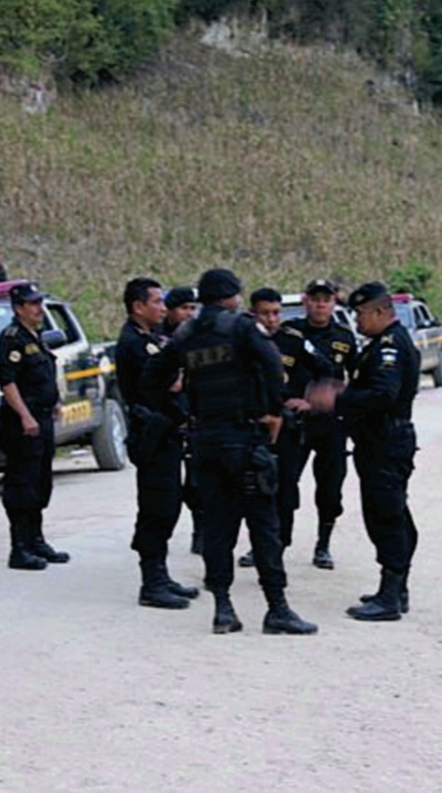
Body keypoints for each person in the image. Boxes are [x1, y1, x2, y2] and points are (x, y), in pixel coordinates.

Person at [141, 268, 317, 636]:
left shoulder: (185, 333)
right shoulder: (240, 327)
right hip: (244, 438)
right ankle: (277, 609)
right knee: (264, 526)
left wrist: (181, 414)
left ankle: (223, 609)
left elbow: (151, 379)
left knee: (218, 527)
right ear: (229, 296)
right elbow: (271, 363)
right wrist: (272, 411)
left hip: (206, 442)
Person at [308, 282, 420, 622]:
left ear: (380, 312)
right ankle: (395, 588)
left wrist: (339, 398)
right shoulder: (378, 345)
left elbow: (383, 395)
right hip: (377, 440)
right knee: (393, 512)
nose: (356, 320)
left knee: (386, 515)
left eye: (360, 313)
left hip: (385, 441)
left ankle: (390, 595)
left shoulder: (390, 347)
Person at [115, 277, 199, 609]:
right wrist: (177, 377)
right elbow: (172, 383)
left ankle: (161, 575)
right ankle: (151, 582)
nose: (163, 308)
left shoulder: (153, 338)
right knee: (156, 506)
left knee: (169, 504)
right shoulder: (135, 343)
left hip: (167, 431)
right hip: (152, 433)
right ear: (138, 306)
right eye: (156, 302)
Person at [248, 288, 332, 560]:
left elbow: (326, 369)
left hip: (286, 427)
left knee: (284, 486)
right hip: (252, 426)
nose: (271, 319)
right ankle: (259, 543)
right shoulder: (242, 339)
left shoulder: (293, 340)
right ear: (253, 313)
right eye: (264, 313)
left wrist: (309, 400)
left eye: (276, 313)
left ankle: (279, 545)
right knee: (254, 489)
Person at [280, 278, 358, 570]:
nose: (320, 304)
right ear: (305, 301)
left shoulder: (344, 337)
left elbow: (356, 382)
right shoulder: (291, 334)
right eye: (315, 298)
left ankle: (323, 545)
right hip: (294, 423)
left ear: (334, 303)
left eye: (326, 299)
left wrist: (338, 397)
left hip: (331, 425)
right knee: (282, 484)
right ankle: (274, 542)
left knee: (329, 488)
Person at [0, 282, 69, 571]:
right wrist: (25, 416)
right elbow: (8, 383)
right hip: (23, 421)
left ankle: (37, 539)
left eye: (40, 302)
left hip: (42, 416)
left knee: (40, 481)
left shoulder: (35, 336)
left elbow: (44, 375)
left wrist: (55, 402)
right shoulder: (11, 339)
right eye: (33, 303)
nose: (39, 308)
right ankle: (20, 547)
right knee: (22, 483)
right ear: (18, 308)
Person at [163, 285, 204, 554]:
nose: (189, 314)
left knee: (197, 479)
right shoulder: (160, 338)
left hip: (195, 413)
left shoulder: (200, 336)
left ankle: (200, 529)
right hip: (167, 418)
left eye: (193, 308)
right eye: (184, 308)